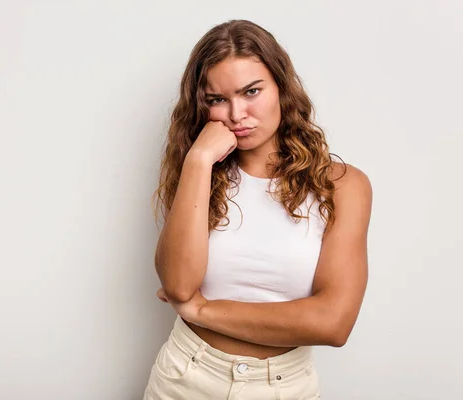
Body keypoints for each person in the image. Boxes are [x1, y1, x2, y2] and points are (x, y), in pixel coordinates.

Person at [143, 19, 373, 400]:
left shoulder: (344, 185)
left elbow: (334, 322)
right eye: (217, 100)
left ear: (282, 87)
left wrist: (200, 310)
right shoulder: (200, 173)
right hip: (184, 378)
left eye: (251, 91)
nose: (236, 114)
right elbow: (178, 284)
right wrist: (199, 159)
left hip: (284, 387)